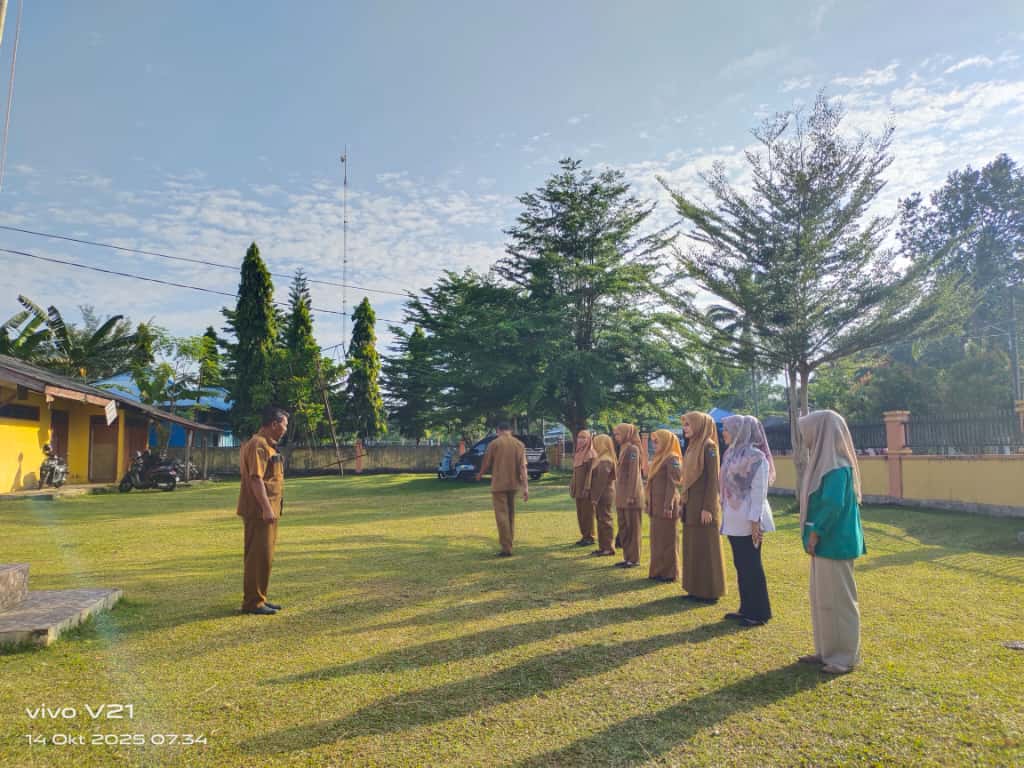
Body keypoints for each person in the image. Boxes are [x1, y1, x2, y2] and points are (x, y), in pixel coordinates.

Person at [798, 409, 866, 675]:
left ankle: (843, 657)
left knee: (839, 600)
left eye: (808, 431)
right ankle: (826, 651)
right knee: (822, 598)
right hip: (824, 542)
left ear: (822, 432)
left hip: (834, 542)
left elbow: (833, 505)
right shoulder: (824, 463)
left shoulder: (837, 467)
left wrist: (816, 532)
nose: (805, 438)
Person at [719, 415, 775, 626]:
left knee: (752, 565)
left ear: (739, 431)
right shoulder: (730, 454)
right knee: (741, 564)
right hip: (733, 518)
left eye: (726, 428)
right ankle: (746, 608)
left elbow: (759, 491)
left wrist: (755, 522)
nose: (723, 432)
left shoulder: (757, 457)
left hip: (749, 518)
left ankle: (759, 612)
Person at [237, 406, 289, 615]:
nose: (286, 428)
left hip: (268, 511)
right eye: (285, 424)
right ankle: (253, 602)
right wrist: (266, 508)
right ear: (274, 424)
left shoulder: (267, 445)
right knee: (257, 556)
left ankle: (260, 597)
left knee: (264, 556)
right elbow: (255, 479)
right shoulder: (258, 445)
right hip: (260, 511)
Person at [679, 412, 727, 603]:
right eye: (684, 425)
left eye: (689, 425)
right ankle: (694, 588)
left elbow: (712, 480)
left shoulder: (709, 446)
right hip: (691, 505)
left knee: (707, 548)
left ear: (700, 425)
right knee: (693, 547)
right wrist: (683, 502)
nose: (685, 428)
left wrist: (708, 507)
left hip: (703, 507)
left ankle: (710, 591)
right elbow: (687, 480)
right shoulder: (692, 446)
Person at [476, 422, 529, 556]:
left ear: (498, 430)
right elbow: (523, 467)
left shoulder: (494, 444)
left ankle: (506, 548)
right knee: (511, 515)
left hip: (499, 484)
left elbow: (486, 462)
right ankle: (509, 543)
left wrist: (480, 474)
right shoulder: (519, 444)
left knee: (501, 516)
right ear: (510, 430)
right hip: (514, 484)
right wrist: (526, 487)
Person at [646, 429, 683, 583]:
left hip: (666, 505)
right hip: (656, 505)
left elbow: (673, 484)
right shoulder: (658, 458)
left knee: (668, 540)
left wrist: (668, 506)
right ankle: (657, 570)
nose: (654, 444)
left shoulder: (672, 457)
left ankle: (670, 573)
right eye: (653, 441)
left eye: (657, 441)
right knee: (656, 540)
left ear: (666, 441)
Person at [612, 423, 645, 568]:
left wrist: (631, 495)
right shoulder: (623, 448)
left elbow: (634, 474)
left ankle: (634, 559)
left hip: (631, 497)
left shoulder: (633, 449)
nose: (616, 437)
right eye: (615, 434)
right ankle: (627, 557)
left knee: (633, 529)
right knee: (624, 528)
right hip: (621, 496)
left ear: (626, 433)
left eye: (618, 434)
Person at [588, 434, 617, 556]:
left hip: (604, 494)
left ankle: (608, 548)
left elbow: (601, 481)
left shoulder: (606, 460)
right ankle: (603, 546)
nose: (593, 446)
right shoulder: (600, 459)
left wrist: (595, 497)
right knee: (600, 520)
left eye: (595, 443)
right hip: (601, 494)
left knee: (605, 520)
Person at [569, 429, 597, 546]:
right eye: (579, 437)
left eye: (583, 437)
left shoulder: (591, 454)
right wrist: (572, 485)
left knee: (587, 513)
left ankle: (590, 537)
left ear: (589, 439)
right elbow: (575, 473)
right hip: (578, 489)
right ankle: (584, 535)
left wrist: (587, 488)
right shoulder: (578, 453)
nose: (580, 440)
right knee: (580, 513)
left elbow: (590, 473)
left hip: (586, 490)